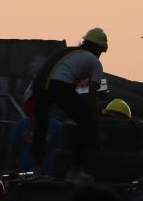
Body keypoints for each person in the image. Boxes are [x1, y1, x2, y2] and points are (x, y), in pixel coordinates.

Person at [31, 28, 107, 182]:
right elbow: (92, 95)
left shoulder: (67, 52)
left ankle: (37, 169)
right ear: (99, 49)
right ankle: (75, 170)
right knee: (85, 119)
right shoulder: (95, 63)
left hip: (38, 85)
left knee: (40, 126)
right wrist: (95, 121)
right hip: (59, 85)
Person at [7, 109, 61, 174]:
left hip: (48, 171)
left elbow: (60, 152)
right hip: (25, 169)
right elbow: (13, 149)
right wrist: (9, 168)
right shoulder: (19, 125)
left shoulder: (58, 126)